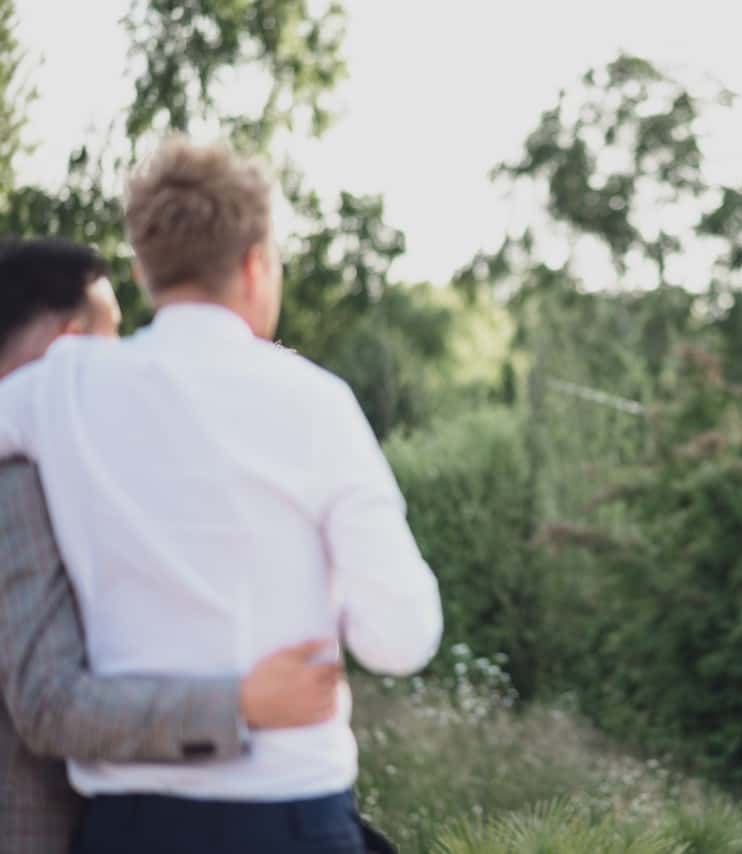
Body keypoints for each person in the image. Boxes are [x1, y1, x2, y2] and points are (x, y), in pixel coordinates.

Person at [0, 138, 444, 853]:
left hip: (126, 825)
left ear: (144, 271)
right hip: (289, 814)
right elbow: (399, 640)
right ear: (255, 263)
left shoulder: (62, 389)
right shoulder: (317, 402)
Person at [0, 237, 343, 853]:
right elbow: (49, 703)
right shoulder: (13, 488)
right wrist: (241, 704)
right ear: (69, 349)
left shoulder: (74, 464)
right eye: (114, 332)